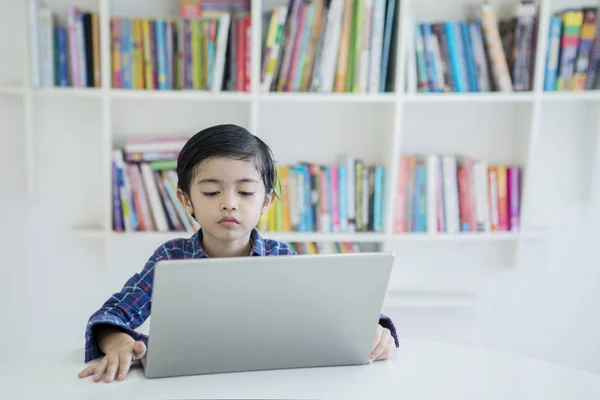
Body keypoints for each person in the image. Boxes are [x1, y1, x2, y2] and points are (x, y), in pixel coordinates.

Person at [78, 124, 399, 383]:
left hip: (269, 384)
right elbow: (109, 317)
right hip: (186, 387)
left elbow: (339, 316)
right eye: (211, 191)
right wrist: (118, 342)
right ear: (186, 199)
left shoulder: (282, 258)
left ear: (266, 201)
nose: (229, 202)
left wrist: (374, 330)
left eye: (245, 191)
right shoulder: (170, 258)